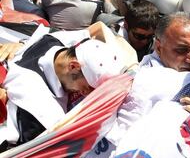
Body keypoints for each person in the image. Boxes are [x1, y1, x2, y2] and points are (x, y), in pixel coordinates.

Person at [0, 22, 132, 150]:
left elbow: (98, 28)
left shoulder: (56, 40)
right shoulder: (40, 107)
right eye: (89, 87)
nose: (88, 93)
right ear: (73, 66)